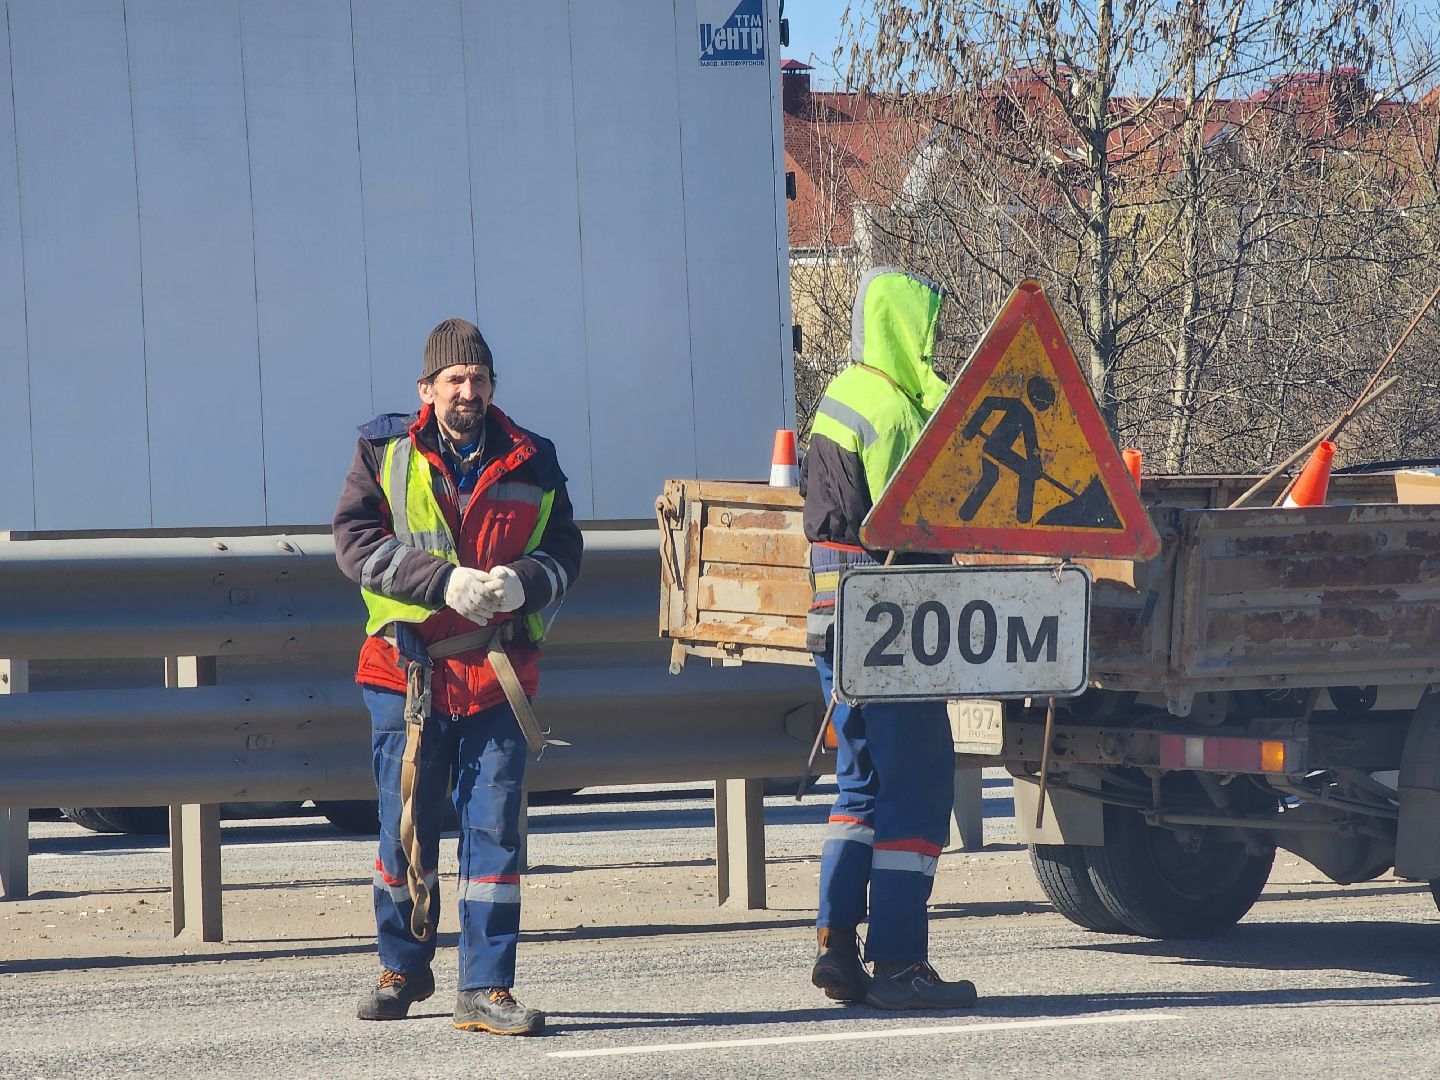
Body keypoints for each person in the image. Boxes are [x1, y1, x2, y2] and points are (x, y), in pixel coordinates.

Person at [334, 317, 583, 1035]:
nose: (465, 391)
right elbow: (355, 544)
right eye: (453, 380)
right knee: (403, 830)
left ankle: (486, 988)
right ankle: (402, 968)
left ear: (492, 386)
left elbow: (566, 550)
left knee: (494, 833)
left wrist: (524, 582)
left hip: (495, 672)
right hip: (404, 671)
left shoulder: (535, 459)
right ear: (427, 389)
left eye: (477, 379)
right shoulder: (383, 452)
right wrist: (440, 583)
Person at [800, 267, 978, 1011]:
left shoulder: (843, 395)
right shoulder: (899, 418)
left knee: (860, 787)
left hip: (835, 625)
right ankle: (901, 963)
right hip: (894, 626)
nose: (934, 347)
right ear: (906, 331)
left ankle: (837, 946)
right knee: (919, 784)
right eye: (928, 332)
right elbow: (940, 507)